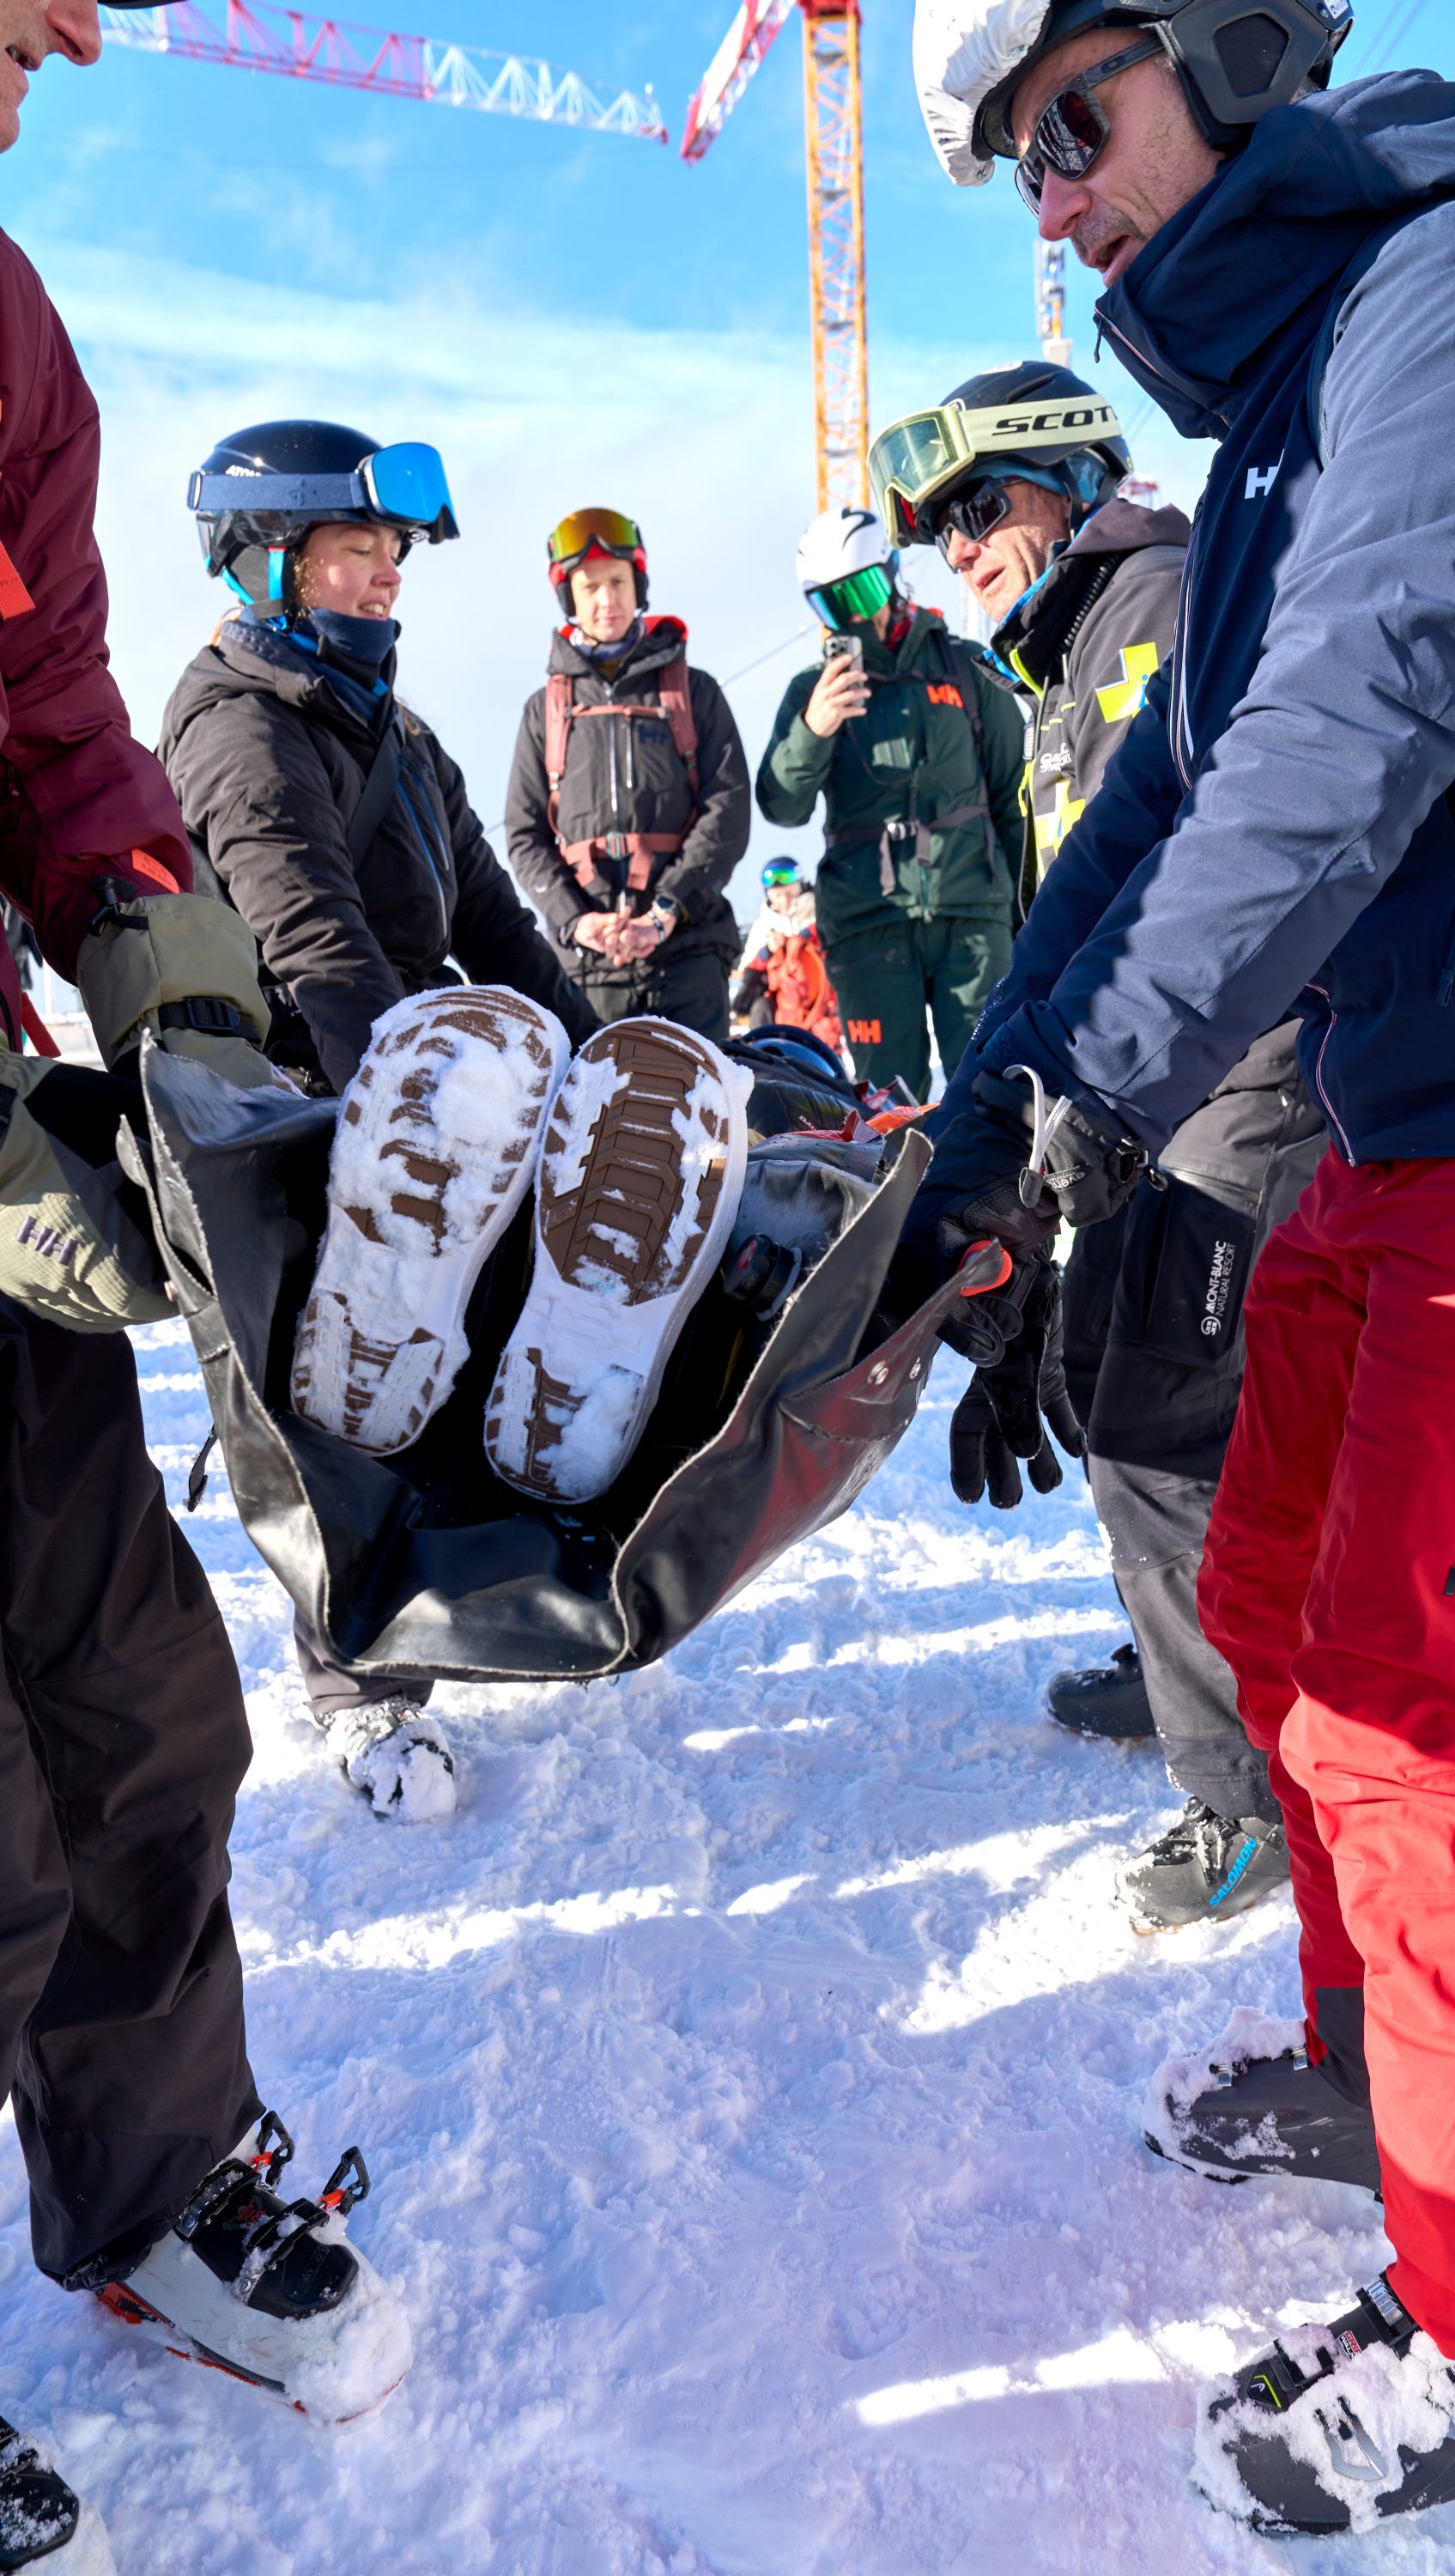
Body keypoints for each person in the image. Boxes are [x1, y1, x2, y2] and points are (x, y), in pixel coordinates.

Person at [908, 0, 1455, 2530]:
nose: (1050, 203)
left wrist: (1100, 1111)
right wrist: (995, 1150)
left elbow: (1331, 748)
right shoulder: (1280, 418)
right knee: (1270, 1603)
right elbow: (1147, 811)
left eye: (1071, 125)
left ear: (1233, 49)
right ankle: (1391, 2077)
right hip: (1417, 1118)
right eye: (1020, 166)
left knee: (1406, 1717)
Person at [0, 5, 412, 2556]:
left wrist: (168, 992)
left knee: (133, 1696)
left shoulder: (6, 326)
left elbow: (44, 701)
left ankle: (151, 2176)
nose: (43, 53)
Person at [875, 361, 1313, 1923]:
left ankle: (1249, 1800)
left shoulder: (1149, 606)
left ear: (1066, 481)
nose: (958, 550)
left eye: (978, 510)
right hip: (1161, 1076)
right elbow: (1074, 913)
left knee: (1160, 1426)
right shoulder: (1073, 650)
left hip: (1241, 1068)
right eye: (939, 533)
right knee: (1106, 1379)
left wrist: (1086, 1104)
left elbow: (1189, 877)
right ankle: (1184, 1660)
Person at [160, 417, 595, 1826]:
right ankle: (360, 1693)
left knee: (442, 1370)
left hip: (411, 1085)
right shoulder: (238, 718)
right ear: (266, 564)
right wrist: (404, 1110)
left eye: (393, 550)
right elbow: (311, 939)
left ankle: (481, 1591)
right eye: (358, 549)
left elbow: (492, 920)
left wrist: (599, 1063)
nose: (388, 574)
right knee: (331, 1403)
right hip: (285, 1109)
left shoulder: (395, 730)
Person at [757, 504, 1025, 1100]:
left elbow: (1012, 801)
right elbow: (781, 805)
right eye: (832, 601)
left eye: (863, 588)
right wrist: (813, 729)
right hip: (867, 924)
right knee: (887, 1100)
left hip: (972, 916)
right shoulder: (813, 692)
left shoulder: (968, 670)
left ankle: (994, 1196)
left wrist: (1022, 918)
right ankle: (899, 1195)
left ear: (892, 570)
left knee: (992, 1088)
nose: (853, 611)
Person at [505, 507, 750, 1044]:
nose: (606, 600)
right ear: (570, 597)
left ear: (638, 583)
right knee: (587, 1121)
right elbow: (524, 834)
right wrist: (575, 922)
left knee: (700, 1116)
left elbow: (727, 812)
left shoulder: (695, 693)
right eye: (589, 587)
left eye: (617, 582)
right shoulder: (544, 711)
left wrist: (666, 911)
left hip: (688, 954)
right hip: (587, 972)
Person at [730, 855, 843, 1052]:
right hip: (784, 1011)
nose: (785, 901)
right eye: (778, 896)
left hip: (823, 1007)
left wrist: (808, 937)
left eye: (790, 893)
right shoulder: (764, 926)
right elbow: (749, 966)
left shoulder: (822, 913)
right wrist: (767, 952)